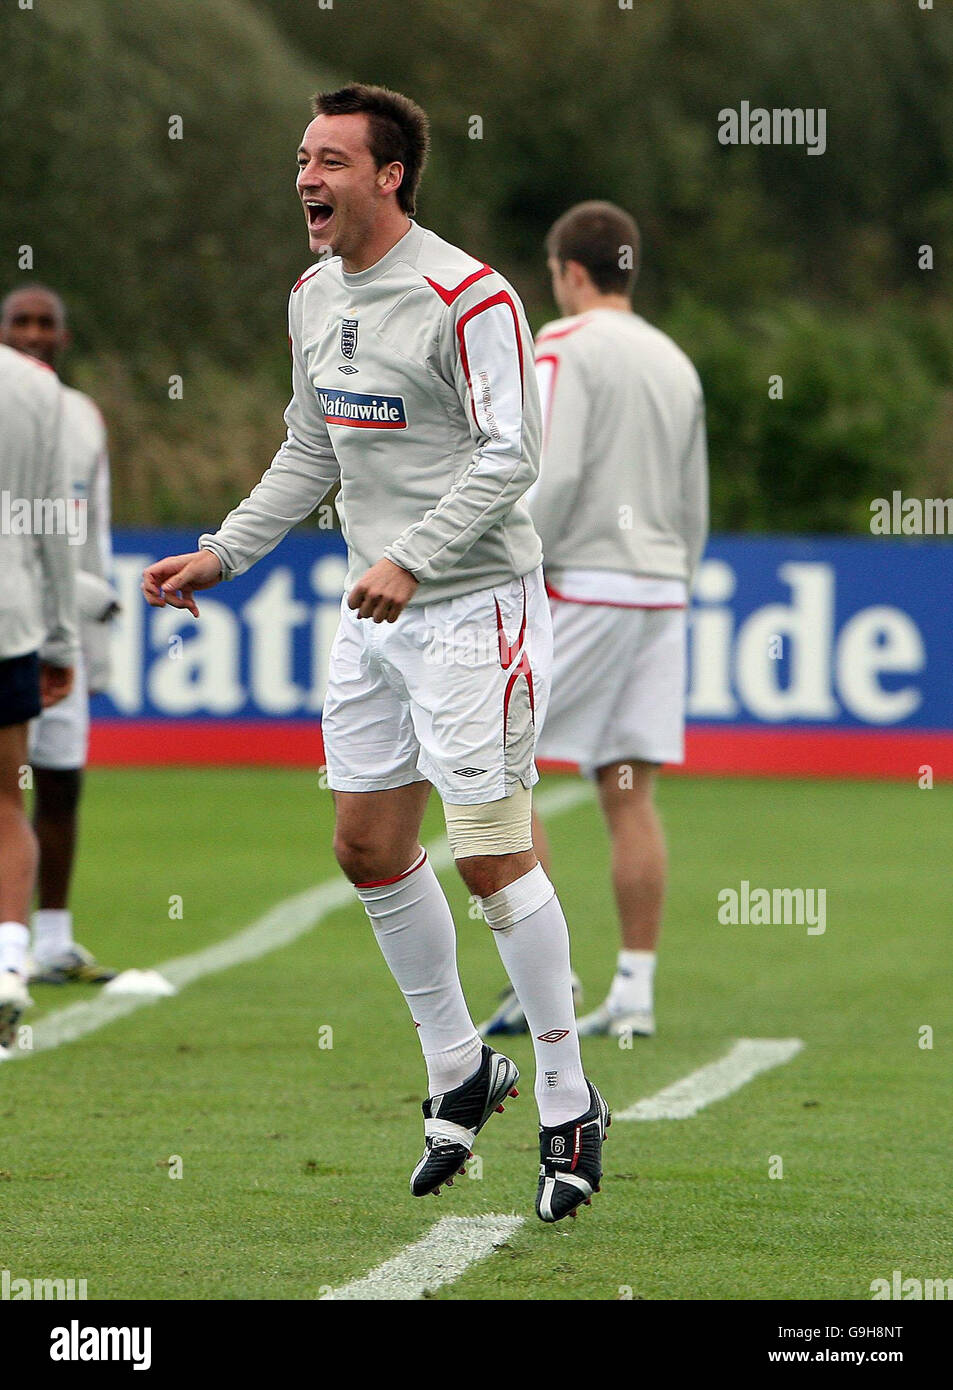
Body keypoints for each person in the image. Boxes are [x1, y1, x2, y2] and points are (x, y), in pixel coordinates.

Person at [142, 85, 608, 1223]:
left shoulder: (468, 294)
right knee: (364, 847)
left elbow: (511, 456)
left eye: (332, 159)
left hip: (470, 607)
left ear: (388, 176)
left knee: (490, 855)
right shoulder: (310, 296)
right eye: (302, 157)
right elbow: (311, 448)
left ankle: (566, 1096)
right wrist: (225, 551)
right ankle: (459, 1067)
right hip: (375, 615)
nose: (307, 176)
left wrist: (407, 555)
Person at [483, 201, 709, 1041]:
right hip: (660, 589)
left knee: (501, 766)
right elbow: (693, 500)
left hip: (585, 583)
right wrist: (677, 575)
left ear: (568, 271)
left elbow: (555, 466)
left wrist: (513, 558)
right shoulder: (674, 359)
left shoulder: (561, 344)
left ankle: (550, 983)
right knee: (627, 789)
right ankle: (636, 990)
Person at [1, 285, 118, 985]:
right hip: (23, 616)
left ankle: (51, 938)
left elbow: (87, 528)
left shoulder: (79, 414)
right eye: (22, 320)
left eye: (47, 322)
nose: (35, 331)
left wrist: (84, 631)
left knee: (59, 781)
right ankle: (15, 951)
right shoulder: (30, 398)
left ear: (64, 336)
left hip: (52, 613)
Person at [0, 341, 78, 1050]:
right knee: (4, 803)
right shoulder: (33, 386)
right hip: (9, 616)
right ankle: (6, 966)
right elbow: (55, 521)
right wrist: (60, 638)